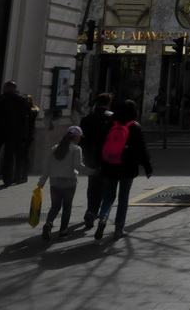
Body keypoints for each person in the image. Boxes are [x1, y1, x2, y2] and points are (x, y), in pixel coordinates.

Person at [95, 100, 153, 241]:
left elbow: (100, 145)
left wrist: (98, 163)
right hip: (128, 167)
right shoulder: (135, 127)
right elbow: (142, 149)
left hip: (109, 165)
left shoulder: (109, 125)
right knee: (123, 198)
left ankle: (103, 217)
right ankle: (118, 228)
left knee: (108, 196)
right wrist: (147, 167)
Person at [37, 125, 93, 240]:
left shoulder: (55, 148)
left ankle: (48, 223)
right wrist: (93, 171)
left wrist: (40, 184)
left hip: (54, 182)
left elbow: (47, 168)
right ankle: (63, 230)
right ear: (76, 138)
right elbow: (78, 166)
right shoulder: (76, 149)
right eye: (80, 138)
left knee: (55, 206)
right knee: (67, 206)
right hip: (69, 182)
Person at [0, 81, 30, 188]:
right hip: (14, 133)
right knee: (9, 157)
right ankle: (7, 180)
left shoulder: (1, 99)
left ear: (7, 88)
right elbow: (25, 118)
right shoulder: (22, 100)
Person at [79, 93, 114, 228]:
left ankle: (91, 210)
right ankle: (101, 212)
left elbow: (82, 139)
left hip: (91, 156)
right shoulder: (112, 118)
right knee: (106, 185)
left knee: (92, 184)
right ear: (108, 103)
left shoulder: (87, 118)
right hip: (107, 157)